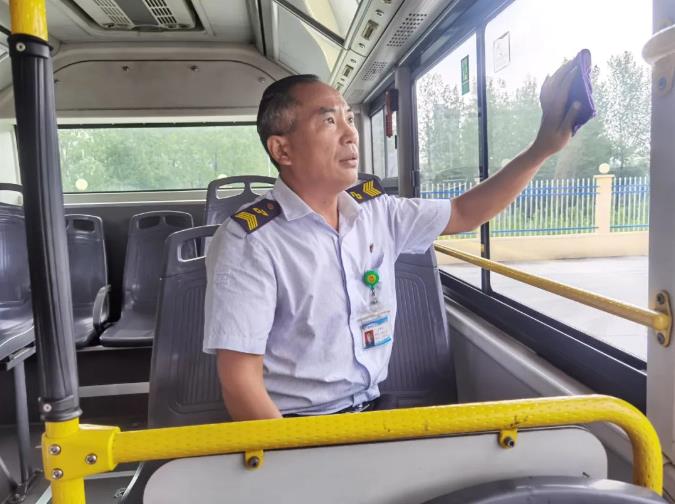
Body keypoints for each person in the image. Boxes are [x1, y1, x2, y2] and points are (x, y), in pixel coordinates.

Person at [203, 61, 582, 421]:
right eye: (329, 121)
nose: (350, 134)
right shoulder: (248, 240)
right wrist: (293, 456)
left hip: (370, 412)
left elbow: (464, 212)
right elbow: (240, 381)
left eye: (349, 119)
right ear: (282, 150)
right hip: (293, 426)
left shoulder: (377, 212)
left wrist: (542, 148)